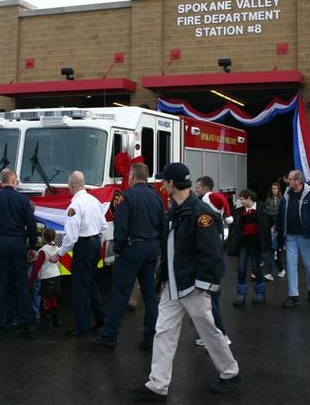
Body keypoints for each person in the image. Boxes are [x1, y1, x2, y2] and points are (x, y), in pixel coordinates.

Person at [132, 162, 240, 401]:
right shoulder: (177, 208)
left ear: (172, 183)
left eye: (164, 181)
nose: (161, 184)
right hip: (173, 285)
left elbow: (211, 254)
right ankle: (157, 385)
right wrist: (163, 279)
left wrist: (203, 286)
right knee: (163, 333)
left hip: (192, 287)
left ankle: (230, 372)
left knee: (209, 332)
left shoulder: (200, 213)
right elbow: (171, 250)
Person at [93, 162, 164, 351]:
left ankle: (109, 337)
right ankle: (150, 337)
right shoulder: (156, 198)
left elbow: (121, 227)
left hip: (132, 249)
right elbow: (163, 226)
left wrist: (119, 248)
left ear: (131, 176)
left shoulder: (127, 197)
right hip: (151, 249)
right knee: (150, 295)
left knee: (120, 295)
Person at [49, 171, 107, 337]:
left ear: (71, 186)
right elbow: (103, 226)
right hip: (95, 244)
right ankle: (101, 317)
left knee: (80, 288)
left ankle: (83, 327)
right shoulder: (94, 201)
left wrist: (58, 254)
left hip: (83, 246)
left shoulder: (74, 206)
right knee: (89, 282)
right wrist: (98, 241)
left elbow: (71, 236)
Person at [0, 168, 38, 340]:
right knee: (21, 284)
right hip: (17, 243)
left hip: (0, 243)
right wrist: (31, 246)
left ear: (2, 182)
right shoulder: (23, 200)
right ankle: (25, 324)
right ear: (14, 182)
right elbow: (32, 225)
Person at [278, 169, 310, 308]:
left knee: (308, 264)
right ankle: (293, 295)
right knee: (290, 264)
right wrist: (281, 233)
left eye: (291, 178)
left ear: (298, 181)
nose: (288, 181)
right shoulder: (287, 195)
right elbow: (281, 215)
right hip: (290, 236)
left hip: (306, 236)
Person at [193, 176, 231, 346]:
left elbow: (211, 249)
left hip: (213, 265)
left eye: (198, 187)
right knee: (207, 301)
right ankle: (209, 334)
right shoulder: (216, 220)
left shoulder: (209, 221)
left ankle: (222, 335)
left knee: (210, 300)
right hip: (215, 263)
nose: (196, 190)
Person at [227, 189, 268, 306]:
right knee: (241, 268)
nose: (241, 201)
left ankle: (260, 293)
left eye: (242, 199)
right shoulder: (240, 212)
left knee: (255, 268)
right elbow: (232, 220)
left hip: (255, 243)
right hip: (243, 243)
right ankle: (241, 294)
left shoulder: (261, 209)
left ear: (249, 198)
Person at [29, 227, 62, 329]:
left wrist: (31, 281)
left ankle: (46, 321)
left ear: (43, 238)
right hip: (56, 275)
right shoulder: (56, 248)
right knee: (53, 298)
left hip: (47, 278)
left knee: (45, 299)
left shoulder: (43, 251)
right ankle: (57, 320)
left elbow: (38, 266)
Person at [264, 182, 285, 278]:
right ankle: (271, 272)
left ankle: (281, 269)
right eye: (273, 189)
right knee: (271, 250)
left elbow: (282, 213)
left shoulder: (282, 200)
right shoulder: (268, 200)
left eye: (276, 189)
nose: (274, 191)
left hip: (279, 228)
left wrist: (273, 211)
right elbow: (266, 211)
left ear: (279, 190)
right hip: (271, 228)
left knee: (279, 250)